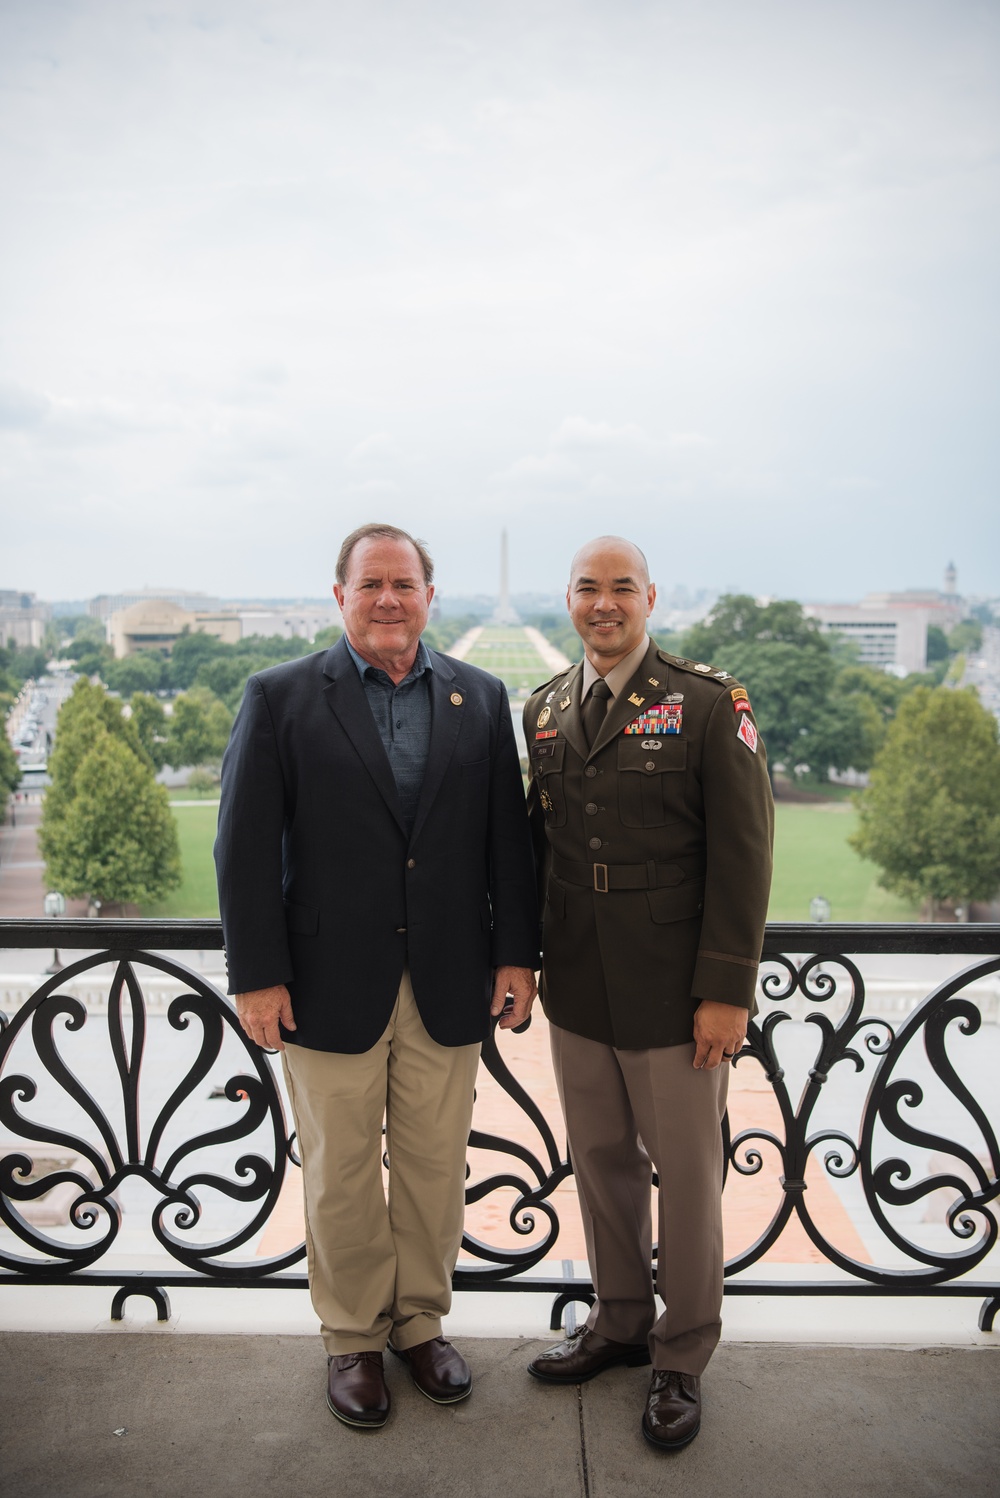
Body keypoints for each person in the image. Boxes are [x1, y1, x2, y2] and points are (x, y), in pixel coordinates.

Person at [215, 523, 538, 1430]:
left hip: (449, 975)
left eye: (405, 583)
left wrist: (517, 953)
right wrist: (258, 975)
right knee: (341, 1170)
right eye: (372, 585)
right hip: (322, 981)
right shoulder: (279, 697)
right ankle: (352, 1337)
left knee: (437, 1166)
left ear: (430, 595)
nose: (389, 599)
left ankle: (421, 1325)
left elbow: (505, 843)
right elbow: (240, 848)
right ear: (341, 598)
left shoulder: (481, 695)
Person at [523, 535, 773, 1451]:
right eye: (587, 588)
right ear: (570, 599)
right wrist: (526, 961)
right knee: (602, 1163)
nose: (603, 604)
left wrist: (726, 991)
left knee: (690, 1177)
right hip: (580, 984)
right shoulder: (546, 707)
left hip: (677, 993)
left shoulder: (707, 703)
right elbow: (539, 850)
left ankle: (682, 1354)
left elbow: (744, 859)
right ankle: (620, 1320)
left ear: (650, 598)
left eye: (620, 588)